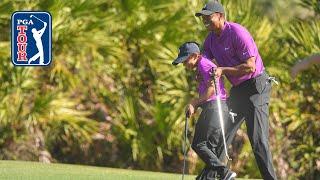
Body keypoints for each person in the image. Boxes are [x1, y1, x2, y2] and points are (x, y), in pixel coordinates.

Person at [195, 1, 277, 179]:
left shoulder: (237, 32)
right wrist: (200, 73)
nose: (205, 20)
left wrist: (223, 70)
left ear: (221, 16)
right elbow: (204, 64)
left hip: (257, 87)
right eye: (203, 17)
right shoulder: (210, 41)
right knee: (222, 134)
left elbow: (250, 67)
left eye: (209, 16)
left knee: (258, 141)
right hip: (238, 91)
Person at [172, 42, 236, 180]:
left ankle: (224, 172)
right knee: (210, 148)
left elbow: (211, 90)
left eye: (185, 60)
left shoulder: (203, 64)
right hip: (218, 108)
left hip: (214, 108)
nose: (184, 64)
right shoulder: (202, 66)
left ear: (195, 56)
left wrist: (193, 103)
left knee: (198, 144)